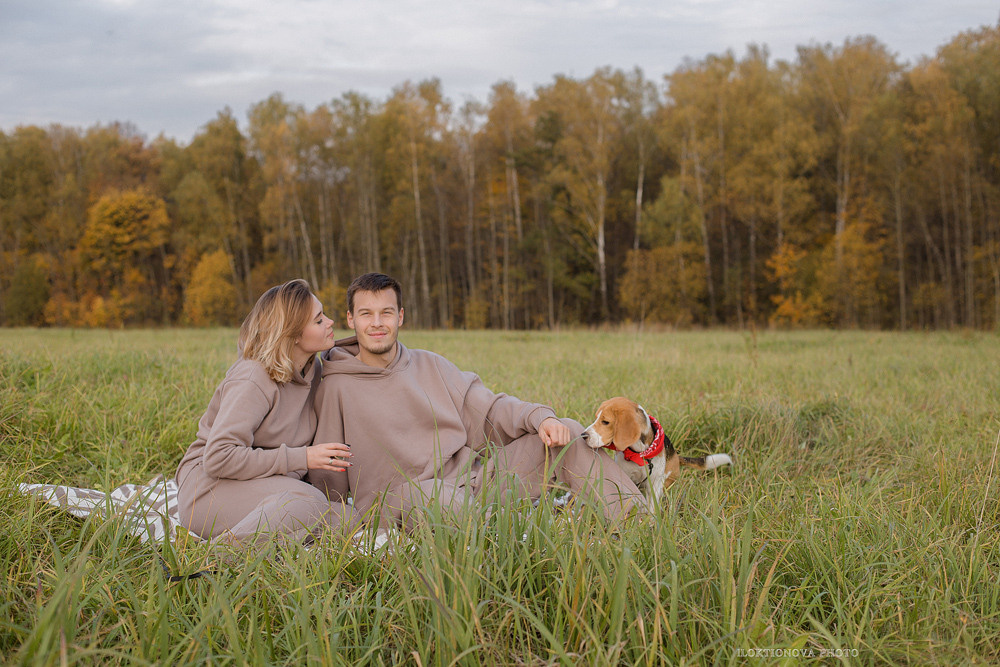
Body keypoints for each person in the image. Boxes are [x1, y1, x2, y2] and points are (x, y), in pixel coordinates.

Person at [308, 272, 646, 530]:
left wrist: (541, 418)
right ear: (351, 320)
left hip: (473, 482)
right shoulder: (334, 384)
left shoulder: (431, 365)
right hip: (400, 498)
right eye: (367, 314)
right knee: (433, 497)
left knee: (569, 433)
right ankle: (501, 546)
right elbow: (329, 476)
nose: (377, 323)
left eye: (386, 312)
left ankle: (639, 525)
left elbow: (490, 408)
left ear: (401, 317)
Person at [175, 279, 357, 544]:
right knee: (308, 503)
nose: (330, 322)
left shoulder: (313, 369)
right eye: (318, 320)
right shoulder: (253, 377)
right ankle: (216, 558)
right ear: (293, 334)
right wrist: (303, 458)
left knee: (350, 519)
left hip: (267, 485)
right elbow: (218, 458)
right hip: (209, 489)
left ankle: (280, 539)